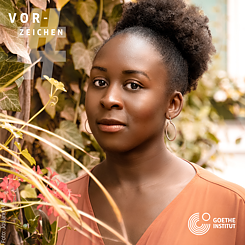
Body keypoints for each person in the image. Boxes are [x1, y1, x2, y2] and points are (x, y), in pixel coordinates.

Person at [51, 0, 245, 244]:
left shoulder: (231, 209)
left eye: (133, 85)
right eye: (99, 82)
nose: (109, 99)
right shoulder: (54, 208)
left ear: (172, 105)